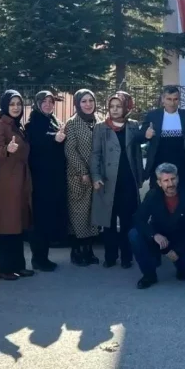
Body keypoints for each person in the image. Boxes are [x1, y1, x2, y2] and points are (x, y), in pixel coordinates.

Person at [90, 91, 144, 269]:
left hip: (128, 181)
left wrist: (139, 177)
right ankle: (110, 257)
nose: (114, 110)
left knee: (128, 221)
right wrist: (96, 177)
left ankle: (127, 257)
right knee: (109, 222)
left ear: (126, 107)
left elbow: (137, 153)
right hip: (108, 181)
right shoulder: (101, 127)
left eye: (118, 106)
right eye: (112, 106)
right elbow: (96, 154)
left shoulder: (133, 125)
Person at [129, 163, 185, 289]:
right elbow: (138, 219)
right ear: (159, 183)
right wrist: (153, 235)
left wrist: (177, 251)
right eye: (166, 180)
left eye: (173, 179)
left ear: (178, 178)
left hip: (180, 240)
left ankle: (180, 265)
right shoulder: (152, 195)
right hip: (159, 239)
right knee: (134, 234)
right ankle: (149, 275)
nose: (170, 184)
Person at [0, 90, 33, 281]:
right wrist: (6, 149)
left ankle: (18, 265)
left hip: (19, 181)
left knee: (17, 224)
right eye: (12, 104)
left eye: (18, 104)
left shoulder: (17, 125)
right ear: (5, 106)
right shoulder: (1, 125)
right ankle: (3, 268)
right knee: (5, 224)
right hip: (7, 183)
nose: (16, 107)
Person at [25, 90, 66, 272]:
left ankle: (44, 257)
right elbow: (36, 141)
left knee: (48, 219)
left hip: (52, 179)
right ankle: (38, 259)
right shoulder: (34, 121)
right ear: (37, 103)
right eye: (44, 101)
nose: (48, 104)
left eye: (51, 101)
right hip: (40, 180)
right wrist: (53, 138)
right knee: (40, 221)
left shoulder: (53, 120)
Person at [65, 89, 101, 266]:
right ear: (78, 104)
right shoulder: (72, 123)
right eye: (84, 101)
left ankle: (89, 250)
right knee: (78, 215)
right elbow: (70, 150)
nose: (88, 104)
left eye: (90, 101)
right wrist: (83, 172)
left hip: (96, 177)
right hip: (78, 178)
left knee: (92, 215)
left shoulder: (98, 121)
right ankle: (77, 251)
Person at [142, 86, 185, 190]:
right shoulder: (153, 116)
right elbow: (140, 137)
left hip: (182, 166)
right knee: (157, 195)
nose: (172, 103)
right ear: (163, 99)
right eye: (169, 99)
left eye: (175, 99)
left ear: (179, 100)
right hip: (158, 165)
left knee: (182, 194)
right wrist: (146, 135)